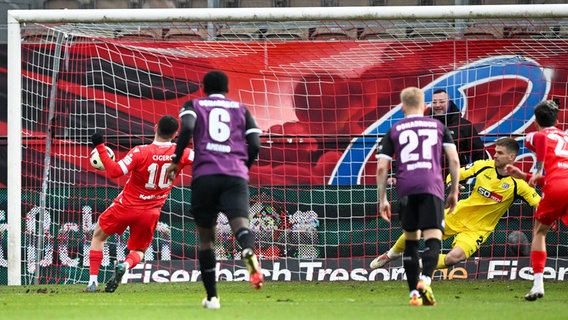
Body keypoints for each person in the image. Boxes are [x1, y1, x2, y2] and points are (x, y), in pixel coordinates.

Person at [165, 70, 263, 310]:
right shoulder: (240, 109)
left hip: (206, 176)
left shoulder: (194, 105)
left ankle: (212, 298)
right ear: (226, 88)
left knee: (206, 239)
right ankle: (248, 250)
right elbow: (256, 143)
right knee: (241, 225)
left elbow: (187, 129)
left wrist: (177, 160)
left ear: (204, 87)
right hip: (234, 176)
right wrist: (243, 167)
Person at [371, 137, 540, 272]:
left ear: (511, 157)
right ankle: (390, 255)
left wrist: (548, 217)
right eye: (495, 152)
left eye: (500, 153)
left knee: (454, 258)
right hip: (457, 213)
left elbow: (538, 203)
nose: (494, 155)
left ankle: (418, 265)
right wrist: (453, 185)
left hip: (478, 229)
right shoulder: (483, 166)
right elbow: (454, 174)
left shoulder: (520, 184)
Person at [84, 115, 194, 293]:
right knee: (139, 250)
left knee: (99, 235)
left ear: (155, 127)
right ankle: (125, 266)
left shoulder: (140, 152)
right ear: (175, 134)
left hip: (125, 206)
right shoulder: (182, 153)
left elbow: (114, 172)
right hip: (150, 212)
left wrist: (100, 147)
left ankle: (93, 282)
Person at [376, 86, 460, 306]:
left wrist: (382, 198)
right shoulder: (438, 126)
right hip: (432, 187)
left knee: (411, 242)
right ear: (425, 107)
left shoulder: (394, 129)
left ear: (402, 108)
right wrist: (455, 190)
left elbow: (382, 168)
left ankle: (414, 293)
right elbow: (453, 160)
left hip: (406, 189)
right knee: (433, 238)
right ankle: (425, 280)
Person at [504, 100, 568, 301]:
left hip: (557, 185)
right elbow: (553, 176)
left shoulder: (534, 135)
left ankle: (538, 284)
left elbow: (540, 140)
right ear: (557, 119)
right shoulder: (565, 136)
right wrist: (523, 175)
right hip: (562, 180)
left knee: (539, 232)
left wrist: (538, 168)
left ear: (535, 120)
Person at [429, 89, 485, 166]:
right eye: (434, 102)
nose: (438, 105)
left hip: (457, 176)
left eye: (442, 102)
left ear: (449, 103)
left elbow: (479, 154)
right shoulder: (426, 125)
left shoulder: (464, 125)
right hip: (431, 176)